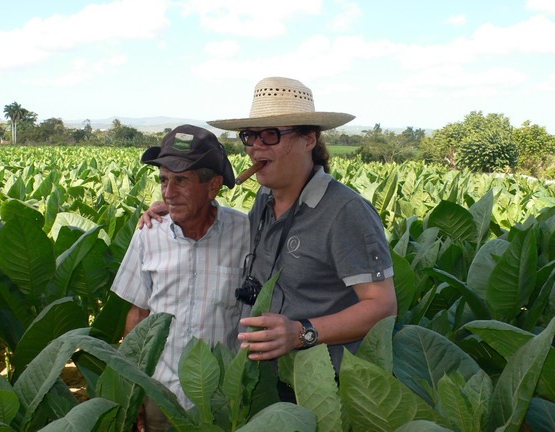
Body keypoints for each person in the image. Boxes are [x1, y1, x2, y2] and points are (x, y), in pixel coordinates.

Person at [142, 77, 396, 388]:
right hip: (264, 382)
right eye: (250, 136)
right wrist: (182, 207)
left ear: (309, 139)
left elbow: (382, 307)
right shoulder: (264, 200)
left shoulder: (345, 212)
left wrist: (302, 332)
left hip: (324, 388)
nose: (255, 147)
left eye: (271, 135)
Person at [111, 124, 249, 431]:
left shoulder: (246, 233)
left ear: (213, 186)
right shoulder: (148, 233)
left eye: (181, 181)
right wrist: (133, 391)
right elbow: (138, 315)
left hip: (222, 400)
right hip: (162, 395)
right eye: (163, 180)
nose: (168, 193)